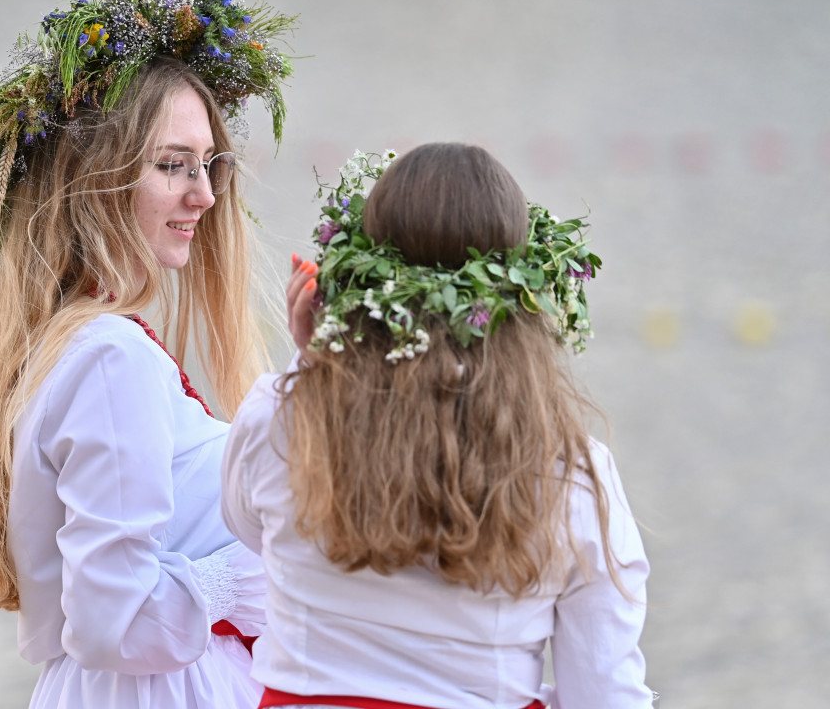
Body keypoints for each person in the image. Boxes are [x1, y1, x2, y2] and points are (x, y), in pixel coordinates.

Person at [0, 0, 296, 709]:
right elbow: (112, 620)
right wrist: (248, 573)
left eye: (209, 166)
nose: (204, 195)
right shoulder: (106, 356)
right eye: (173, 165)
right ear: (96, 180)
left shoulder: (87, 344)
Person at [222, 144, 655, 709]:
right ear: (519, 299)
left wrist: (314, 366)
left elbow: (248, 526)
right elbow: (604, 695)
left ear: (361, 282)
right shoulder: (570, 474)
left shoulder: (279, 420)